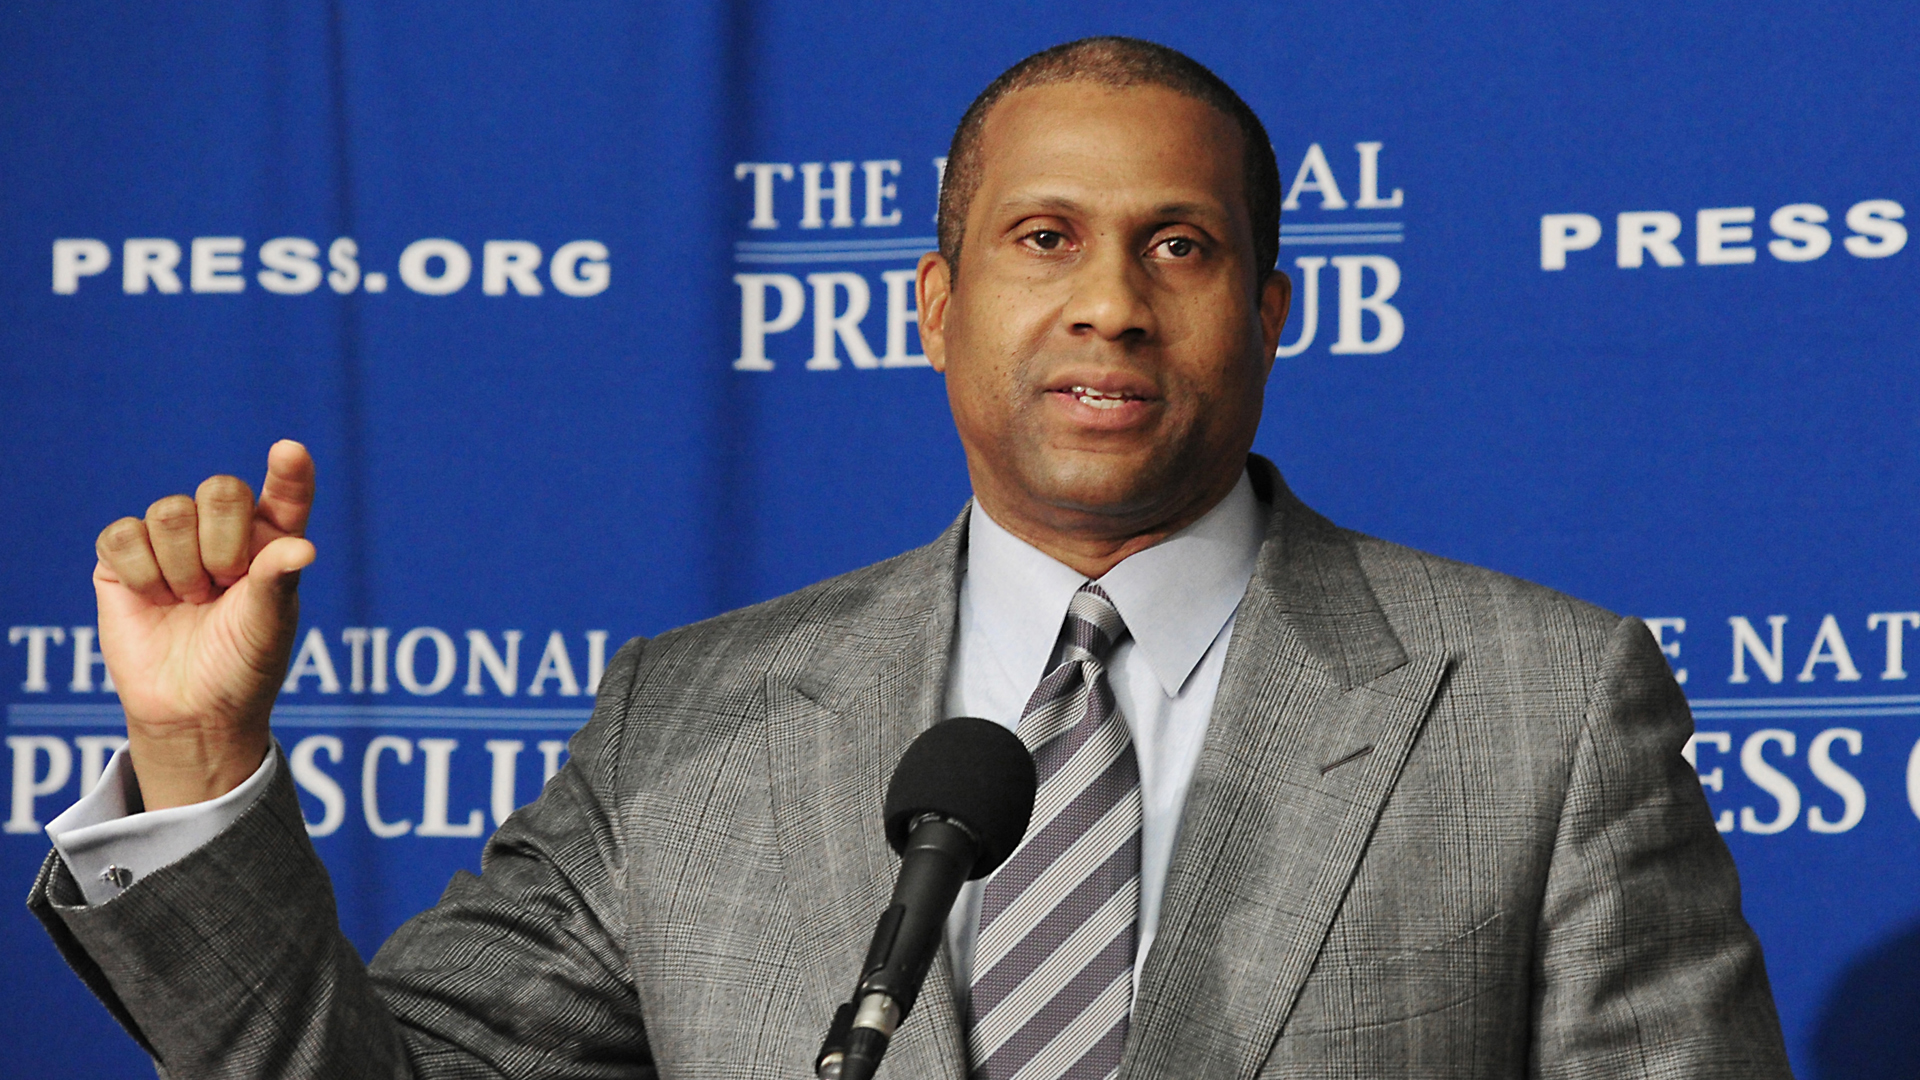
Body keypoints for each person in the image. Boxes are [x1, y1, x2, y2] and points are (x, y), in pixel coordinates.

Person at [32, 36, 1791, 1080]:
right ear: (934, 309)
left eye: (1178, 245)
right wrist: (199, 761)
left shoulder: (1543, 706)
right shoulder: (687, 724)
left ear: (1273, 312)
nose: (1110, 296)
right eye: (1045, 238)